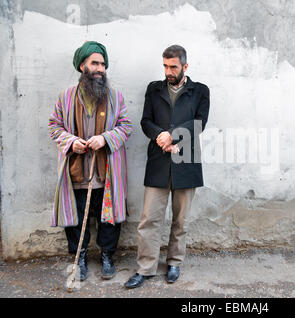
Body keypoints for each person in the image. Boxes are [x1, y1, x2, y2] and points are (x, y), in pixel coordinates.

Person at [124, 45, 210, 288]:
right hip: (159, 161)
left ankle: (174, 262)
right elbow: (145, 121)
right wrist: (160, 135)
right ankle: (145, 267)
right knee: (149, 218)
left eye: (173, 66)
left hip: (186, 161)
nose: (168, 71)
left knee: (181, 219)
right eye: (165, 66)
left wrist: (172, 135)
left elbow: (198, 124)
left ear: (185, 66)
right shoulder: (154, 89)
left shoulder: (200, 91)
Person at [48, 41, 133, 281]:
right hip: (76, 172)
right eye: (95, 63)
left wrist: (105, 139)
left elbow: (126, 126)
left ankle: (107, 255)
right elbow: (54, 126)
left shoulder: (115, 97)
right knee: (75, 220)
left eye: (103, 64)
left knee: (109, 218)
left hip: (106, 173)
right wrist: (70, 141)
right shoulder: (65, 97)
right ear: (82, 65)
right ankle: (80, 256)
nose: (101, 68)